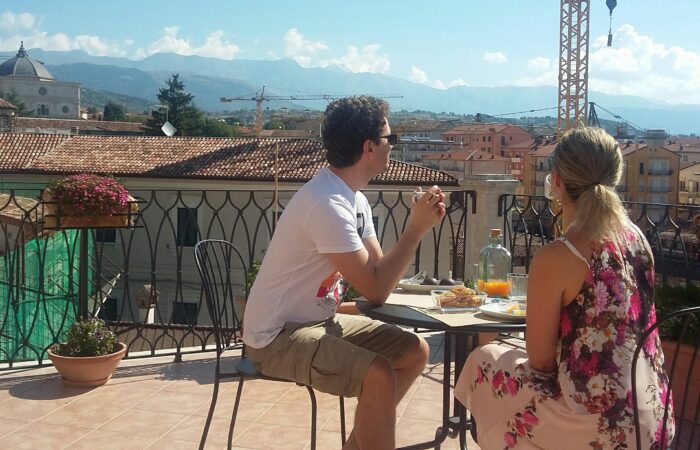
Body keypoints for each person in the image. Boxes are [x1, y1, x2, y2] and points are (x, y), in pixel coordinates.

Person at [242, 96, 446, 450]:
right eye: (390, 139)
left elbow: (380, 273)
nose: (392, 146)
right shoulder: (328, 204)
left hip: (316, 324)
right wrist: (414, 231)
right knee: (379, 375)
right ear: (369, 147)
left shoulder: (354, 199)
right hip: (275, 339)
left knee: (415, 350)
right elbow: (377, 289)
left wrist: (416, 225)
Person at [454, 127, 674, 449]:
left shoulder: (559, 255)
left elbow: (541, 362)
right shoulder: (638, 240)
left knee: (484, 358)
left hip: (599, 428)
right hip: (654, 418)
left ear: (555, 181)